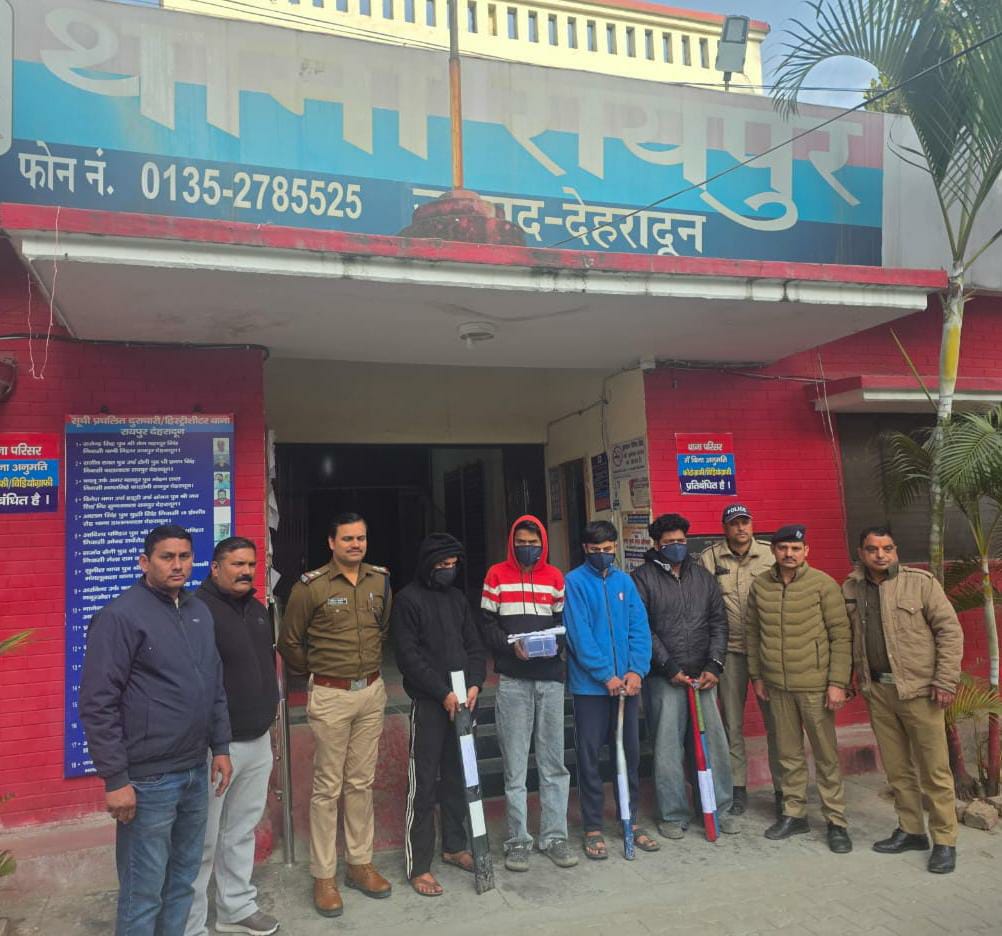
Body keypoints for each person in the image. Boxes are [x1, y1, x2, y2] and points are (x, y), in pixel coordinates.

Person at [80, 524, 233, 936]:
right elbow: (97, 704)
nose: (177, 565)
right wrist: (116, 779)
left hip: (195, 771)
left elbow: (213, 682)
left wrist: (220, 745)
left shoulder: (198, 611)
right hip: (149, 780)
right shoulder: (120, 616)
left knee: (182, 882)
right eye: (167, 557)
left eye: (185, 556)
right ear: (145, 562)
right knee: (143, 892)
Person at [277, 513, 392, 918]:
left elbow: (382, 629)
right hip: (331, 694)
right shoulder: (311, 587)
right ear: (331, 543)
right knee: (328, 787)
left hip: (371, 692)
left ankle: (360, 864)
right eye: (347, 539)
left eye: (361, 538)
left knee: (361, 782)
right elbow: (289, 641)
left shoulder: (380, 581)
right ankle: (324, 875)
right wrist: (319, 669)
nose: (355, 545)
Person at [843, 526, 963, 874]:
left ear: (896, 550)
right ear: (861, 553)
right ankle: (912, 830)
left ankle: (945, 840)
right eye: (872, 549)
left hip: (920, 691)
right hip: (878, 692)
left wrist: (945, 680)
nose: (880, 555)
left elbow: (949, 631)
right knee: (897, 769)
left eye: (887, 548)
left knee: (934, 770)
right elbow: (847, 636)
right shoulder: (851, 588)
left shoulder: (920, 583)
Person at [186, 537, 280, 936]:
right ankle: (189, 924)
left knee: (241, 830)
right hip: (216, 748)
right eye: (236, 564)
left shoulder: (257, 610)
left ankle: (235, 908)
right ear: (215, 567)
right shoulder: (196, 611)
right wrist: (215, 741)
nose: (246, 572)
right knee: (202, 840)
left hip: (257, 740)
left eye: (251, 565)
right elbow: (195, 682)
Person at [746, 525, 853, 853]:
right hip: (777, 686)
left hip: (815, 686)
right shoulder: (760, 586)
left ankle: (836, 821)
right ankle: (795, 814)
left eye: (795, 548)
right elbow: (753, 633)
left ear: (806, 551)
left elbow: (841, 635)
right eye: (782, 548)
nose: (789, 554)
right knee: (787, 754)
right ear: (773, 551)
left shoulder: (822, 584)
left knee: (825, 754)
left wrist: (837, 683)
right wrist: (757, 676)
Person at [392, 533, 487, 897]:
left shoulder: (458, 599)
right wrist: (442, 692)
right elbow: (408, 657)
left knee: (458, 776)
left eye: (453, 565)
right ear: (428, 565)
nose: (448, 571)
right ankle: (419, 865)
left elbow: (474, 646)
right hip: (431, 704)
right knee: (424, 783)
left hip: (464, 702)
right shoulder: (408, 600)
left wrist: (475, 684)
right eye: (442, 565)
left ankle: (454, 846)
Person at [480, 515, 576, 872]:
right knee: (515, 766)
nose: (527, 548)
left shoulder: (555, 577)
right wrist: (511, 647)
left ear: (543, 544)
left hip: (550, 680)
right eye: (521, 542)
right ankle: (517, 840)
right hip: (513, 682)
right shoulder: (496, 576)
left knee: (553, 763)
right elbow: (486, 624)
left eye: (533, 543)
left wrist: (554, 645)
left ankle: (555, 837)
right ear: (512, 542)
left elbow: (563, 623)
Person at [632, 513, 737, 839]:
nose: (676, 546)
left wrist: (714, 665)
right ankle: (672, 814)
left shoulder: (703, 577)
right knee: (667, 748)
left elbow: (718, 622)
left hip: (703, 676)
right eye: (669, 543)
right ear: (656, 544)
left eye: (681, 541)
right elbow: (643, 629)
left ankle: (718, 807)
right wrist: (670, 668)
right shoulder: (642, 579)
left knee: (714, 745)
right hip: (664, 678)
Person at [563, 520, 657, 860]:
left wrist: (636, 670)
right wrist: (605, 675)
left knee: (628, 754)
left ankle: (630, 819)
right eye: (595, 550)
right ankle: (592, 826)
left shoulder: (624, 582)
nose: (602, 554)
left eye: (607, 549)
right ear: (585, 549)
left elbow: (639, 628)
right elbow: (579, 635)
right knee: (589, 757)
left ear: (615, 547)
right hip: (591, 688)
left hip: (627, 687)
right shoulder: (574, 582)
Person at [700, 504, 782, 817]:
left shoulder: (771, 553)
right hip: (730, 652)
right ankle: (737, 788)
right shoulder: (710, 558)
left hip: (767, 650)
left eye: (745, 522)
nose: (741, 528)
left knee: (778, 724)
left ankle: (783, 790)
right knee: (731, 724)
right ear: (725, 528)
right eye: (734, 523)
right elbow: (704, 605)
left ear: (752, 525)